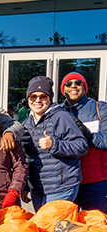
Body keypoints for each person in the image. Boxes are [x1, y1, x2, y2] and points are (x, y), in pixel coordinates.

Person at [20, 76, 88, 210]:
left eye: (43, 96)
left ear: (50, 98)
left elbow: (81, 145)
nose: (37, 100)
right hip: (38, 188)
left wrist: (54, 145)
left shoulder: (61, 117)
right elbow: (29, 158)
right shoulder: (27, 123)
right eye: (33, 96)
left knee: (52, 228)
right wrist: (27, 186)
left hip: (60, 187)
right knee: (42, 229)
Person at [61, 72, 107, 212]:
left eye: (78, 83)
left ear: (84, 87)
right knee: (69, 229)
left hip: (96, 182)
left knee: (97, 227)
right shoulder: (58, 111)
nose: (73, 86)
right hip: (67, 182)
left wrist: (89, 136)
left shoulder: (100, 108)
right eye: (68, 84)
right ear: (63, 89)